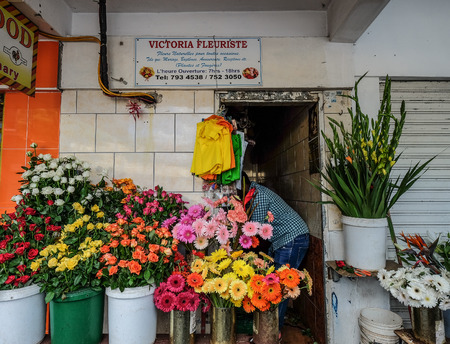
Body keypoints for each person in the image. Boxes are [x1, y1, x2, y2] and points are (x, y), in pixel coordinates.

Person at [239, 171, 310, 334]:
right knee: (274, 282)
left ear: (242, 186)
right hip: (282, 241)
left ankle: (272, 333)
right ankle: (269, 328)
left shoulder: (259, 196)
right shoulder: (252, 195)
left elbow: (253, 230)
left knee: (279, 286)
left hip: (293, 239)